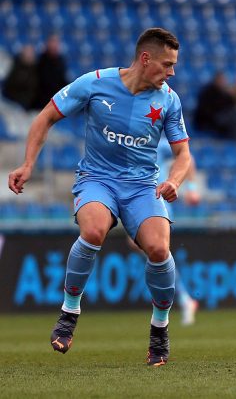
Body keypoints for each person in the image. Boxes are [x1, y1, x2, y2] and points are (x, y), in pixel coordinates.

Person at [7, 28, 191, 367]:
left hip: (141, 186)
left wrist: (175, 181)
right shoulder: (94, 83)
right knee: (92, 232)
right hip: (97, 179)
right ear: (145, 58)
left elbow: (184, 155)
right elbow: (46, 116)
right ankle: (69, 312)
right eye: (167, 64)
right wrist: (29, 163)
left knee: (159, 249)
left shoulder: (168, 99)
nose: (172, 72)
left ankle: (159, 330)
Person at [125, 137, 201, 326]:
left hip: (158, 200)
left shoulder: (158, 143)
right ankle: (184, 298)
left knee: (155, 250)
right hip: (138, 201)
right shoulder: (127, 140)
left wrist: (191, 188)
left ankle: (181, 299)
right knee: (145, 247)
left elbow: (185, 156)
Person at [33, 34, 68, 110]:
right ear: (47, 43)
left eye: (57, 42)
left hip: (57, 102)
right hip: (41, 104)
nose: (55, 45)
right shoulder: (41, 61)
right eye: (53, 42)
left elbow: (62, 81)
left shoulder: (60, 61)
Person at [2, 44, 39, 110]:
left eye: (31, 53)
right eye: (27, 52)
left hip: (30, 106)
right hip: (13, 103)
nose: (29, 55)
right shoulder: (15, 67)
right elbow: (9, 87)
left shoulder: (36, 69)